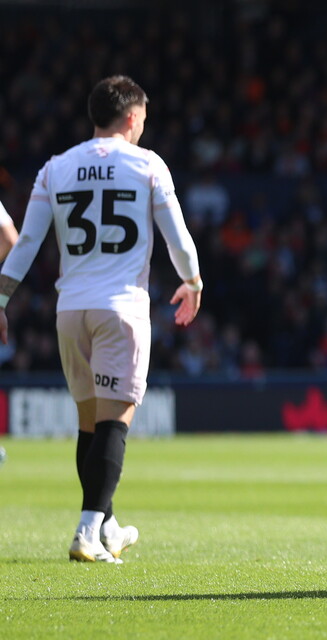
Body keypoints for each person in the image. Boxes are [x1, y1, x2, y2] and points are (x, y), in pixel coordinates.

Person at [0, 75, 203, 563]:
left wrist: (1, 298)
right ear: (133, 117)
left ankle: (107, 524)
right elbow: (176, 238)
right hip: (121, 307)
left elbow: (25, 243)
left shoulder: (56, 167)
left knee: (89, 425)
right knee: (116, 420)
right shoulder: (148, 164)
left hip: (70, 309)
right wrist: (192, 281)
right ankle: (88, 531)